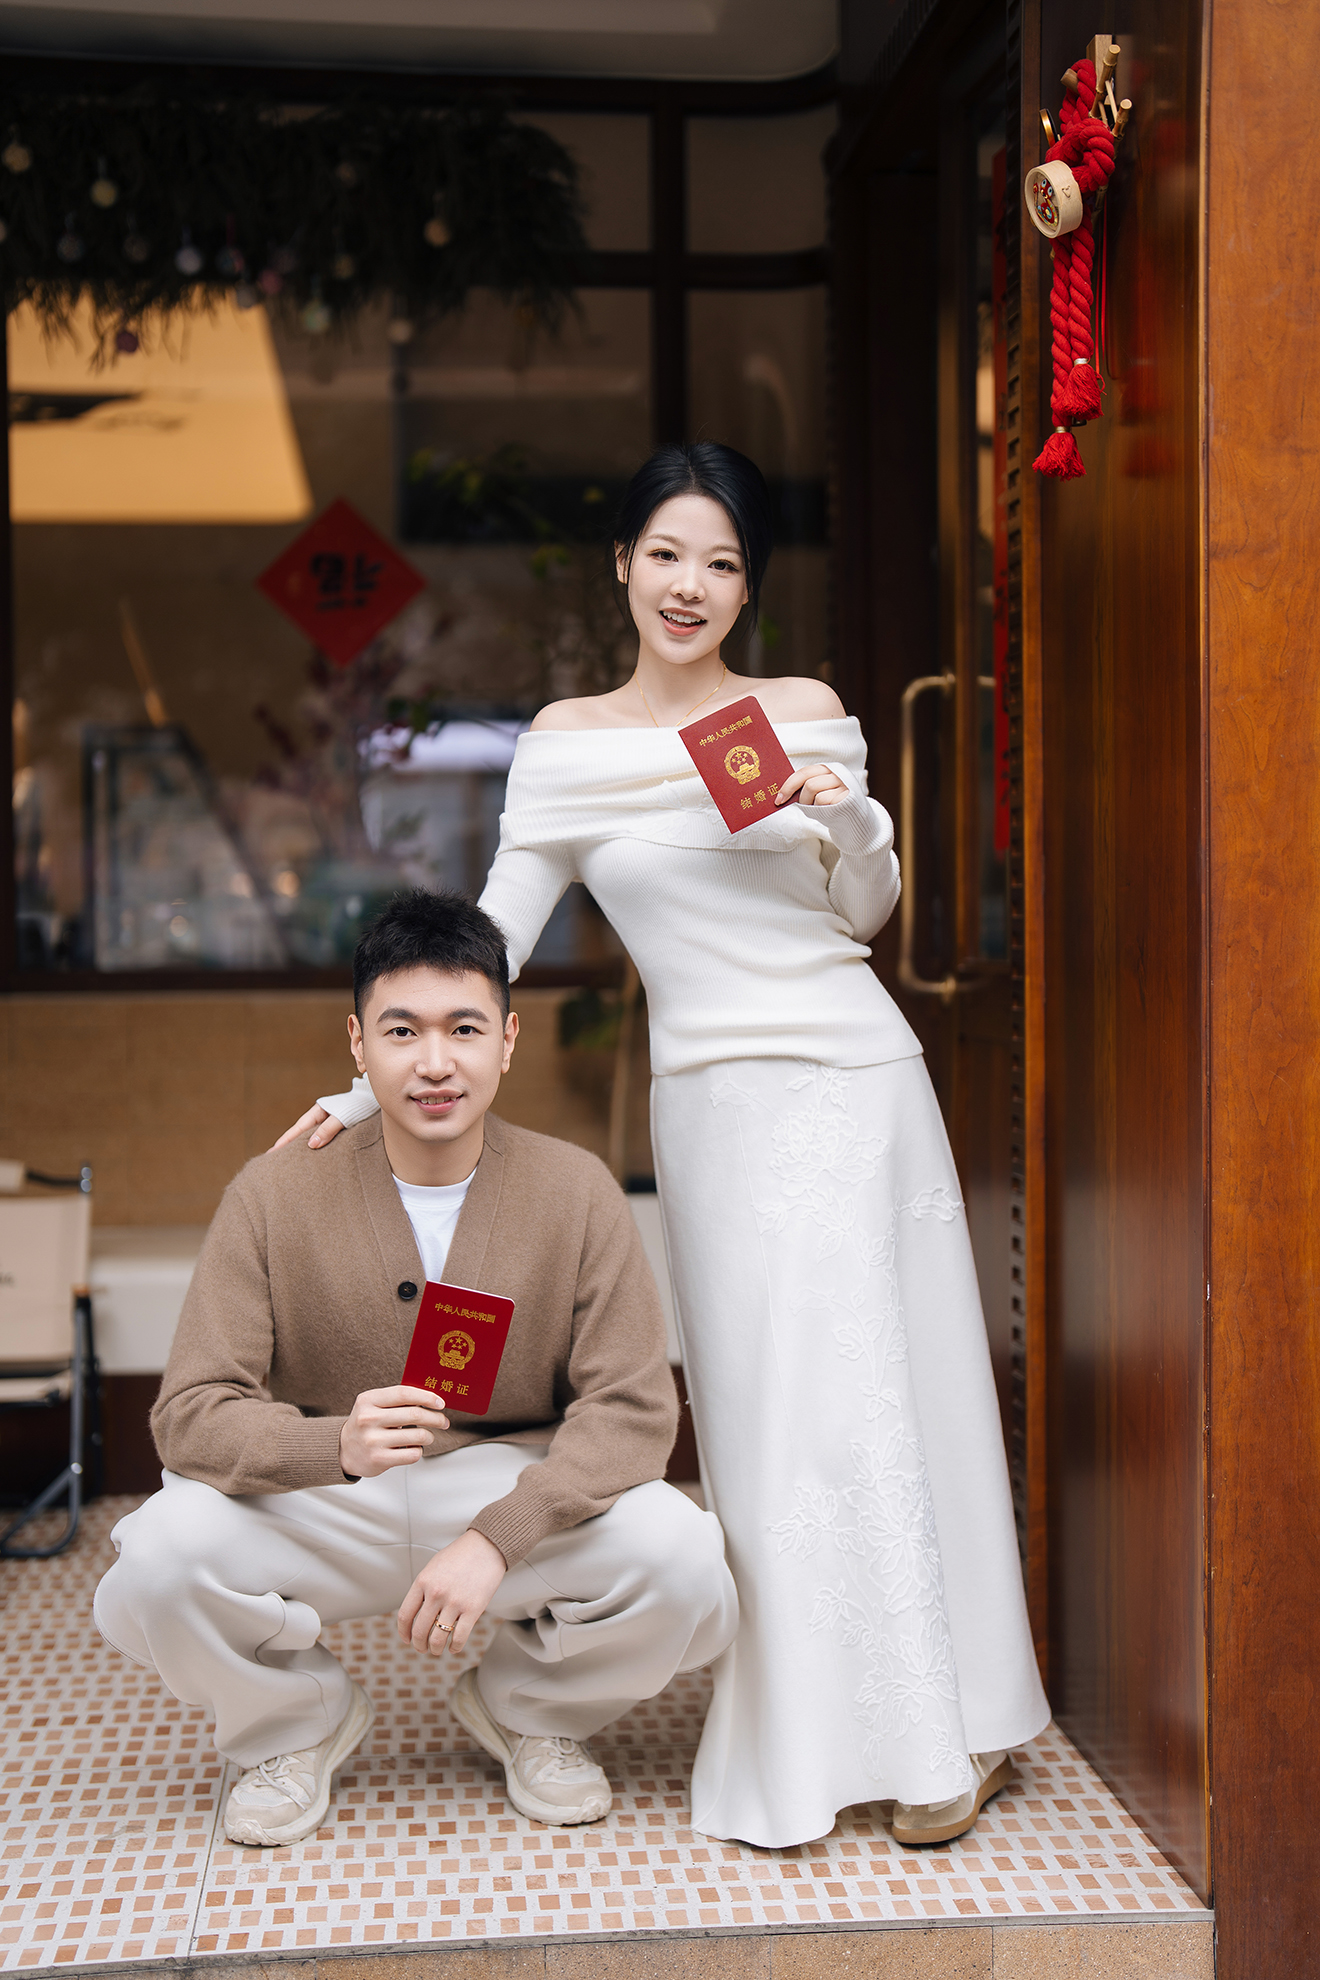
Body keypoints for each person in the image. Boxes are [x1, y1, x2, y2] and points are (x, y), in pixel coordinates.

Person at [280, 443, 1050, 1851]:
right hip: (719, 1112)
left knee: (897, 1398)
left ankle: (957, 1727)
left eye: (724, 563)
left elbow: (864, 912)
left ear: (748, 588)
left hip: (858, 1080)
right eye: (669, 555)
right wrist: (373, 1078)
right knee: (771, 1422)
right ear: (624, 566)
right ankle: (817, 1735)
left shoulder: (801, 711)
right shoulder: (568, 747)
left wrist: (850, 821)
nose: (692, 585)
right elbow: (497, 932)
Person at [95, 889, 737, 1848]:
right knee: (156, 1557)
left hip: (507, 1483)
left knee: (681, 1557)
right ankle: (293, 1724)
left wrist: (499, 1536)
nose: (435, 1062)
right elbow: (189, 1411)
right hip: (327, 1495)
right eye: (402, 1030)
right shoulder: (272, 1194)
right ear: (358, 1045)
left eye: (463, 1028)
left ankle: (533, 1709)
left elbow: (634, 1410)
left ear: (507, 1040)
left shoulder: (575, 1191)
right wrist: (333, 1447)